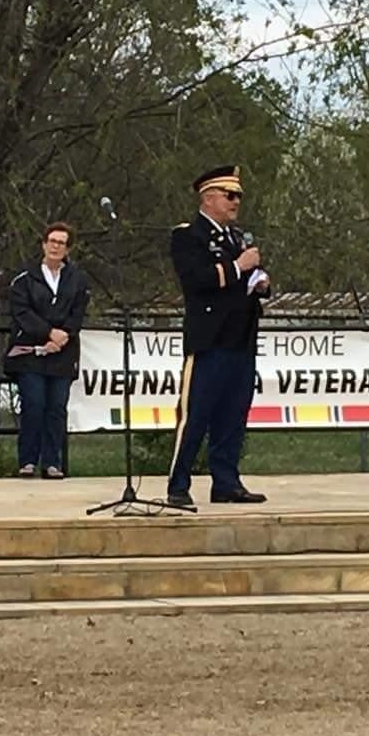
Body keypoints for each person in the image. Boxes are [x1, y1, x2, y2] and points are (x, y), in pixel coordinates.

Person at [167, 166, 270, 507]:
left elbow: (243, 280)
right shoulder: (188, 236)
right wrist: (240, 267)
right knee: (196, 414)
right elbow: (198, 280)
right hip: (210, 339)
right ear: (208, 198)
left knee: (233, 415)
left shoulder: (236, 237)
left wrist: (259, 282)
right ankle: (178, 483)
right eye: (229, 195)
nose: (235, 201)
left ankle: (226, 481)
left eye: (238, 195)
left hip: (240, 338)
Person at [4, 222, 89, 479]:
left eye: (61, 243)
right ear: (43, 244)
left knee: (56, 408)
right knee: (34, 404)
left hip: (63, 353)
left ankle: (52, 462)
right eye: (52, 241)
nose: (56, 246)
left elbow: (78, 311)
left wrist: (62, 336)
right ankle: (27, 460)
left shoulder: (77, 279)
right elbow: (21, 312)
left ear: (68, 248)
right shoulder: (24, 278)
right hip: (31, 352)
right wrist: (47, 333)